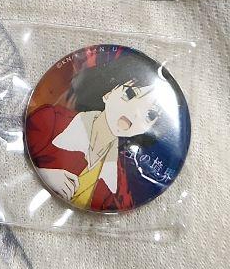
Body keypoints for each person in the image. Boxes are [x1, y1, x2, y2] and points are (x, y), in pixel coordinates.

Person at [27, 50, 185, 212]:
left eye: (151, 115)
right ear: (108, 93)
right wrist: (46, 172)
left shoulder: (120, 187)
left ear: (150, 129)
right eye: (130, 94)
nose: (135, 112)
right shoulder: (49, 121)